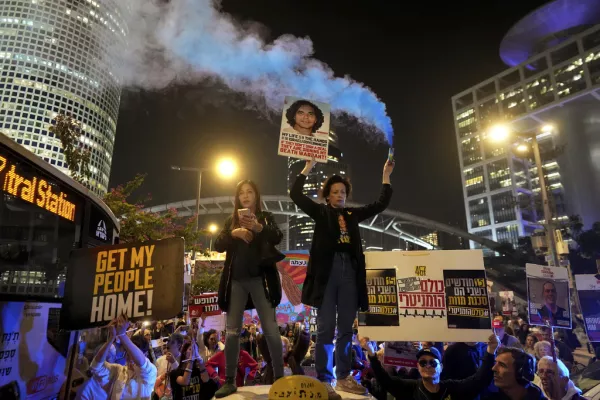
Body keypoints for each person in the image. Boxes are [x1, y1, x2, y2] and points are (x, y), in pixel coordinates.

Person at [290, 158, 394, 400]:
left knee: (346, 328)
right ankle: (325, 380)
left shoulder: (352, 214)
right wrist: (308, 167)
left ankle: (344, 377)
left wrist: (386, 175)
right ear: (327, 196)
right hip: (327, 274)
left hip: (350, 272)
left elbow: (380, 205)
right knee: (326, 328)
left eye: (343, 192)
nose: (339, 195)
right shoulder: (320, 211)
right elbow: (295, 194)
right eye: (335, 192)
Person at [212, 179, 285, 398]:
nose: (245, 196)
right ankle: (230, 381)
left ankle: (280, 379)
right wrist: (233, 233)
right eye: (241, 193)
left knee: (270, 329)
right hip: (236, 281)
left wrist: (258, 228)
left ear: (256, 195)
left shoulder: (265, 218)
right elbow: (218, 245)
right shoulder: (230, 220)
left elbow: (277, 236)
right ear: (237, 198)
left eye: (249, 192)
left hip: (261, 280)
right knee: (232, 331)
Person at [367, 334, 499, 400]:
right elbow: (385, 380)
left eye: (432, 362)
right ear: (418, 367)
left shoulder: (451, 388)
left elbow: (479, 381)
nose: (428, 366)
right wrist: (371, 353)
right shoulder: (411, 388)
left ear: (441, 367)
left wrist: (491, 351)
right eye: (423, 363)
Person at [76, 315, 157, 400]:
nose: (131, 358)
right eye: (128, 353)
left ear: (144, 355)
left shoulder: (151, 372)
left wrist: (122, 335)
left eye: (134, 354)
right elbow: (96, 367)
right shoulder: (119, 370)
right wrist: (112, 338)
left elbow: (142, 363)